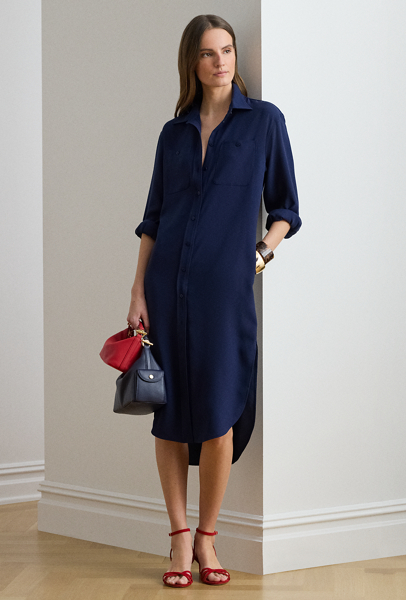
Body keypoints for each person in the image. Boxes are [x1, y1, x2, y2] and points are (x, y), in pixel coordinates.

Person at [127, 14, 301, 588]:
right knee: (170, 419)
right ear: (192, 63)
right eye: (208, 53)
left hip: (226, 295)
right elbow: (154, 219)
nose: (220, 61)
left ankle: (208, 537)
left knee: (220, 413)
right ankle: (179, 539)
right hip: (166, 290)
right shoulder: (172, 133)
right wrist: (137, 291)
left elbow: (286, 207)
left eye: (226, 50)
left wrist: (259, 254)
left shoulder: (264, 122)